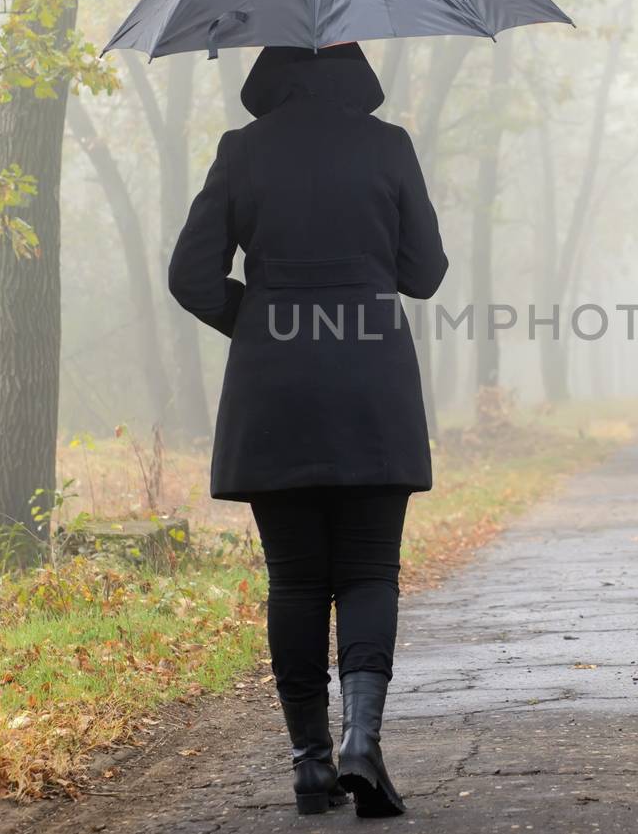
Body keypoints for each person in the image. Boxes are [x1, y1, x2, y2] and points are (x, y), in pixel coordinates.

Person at [167, 42, 447, 818]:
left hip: (274, 390)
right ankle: (363, 738)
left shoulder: (242, 151)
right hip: (370, 385)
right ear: (354, 66)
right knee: (366, 569)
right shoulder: (387, 146)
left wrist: (259, 321)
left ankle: (310, 765)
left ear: (271, 68)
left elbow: (189, 276)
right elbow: (424, 272)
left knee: (294, 578)